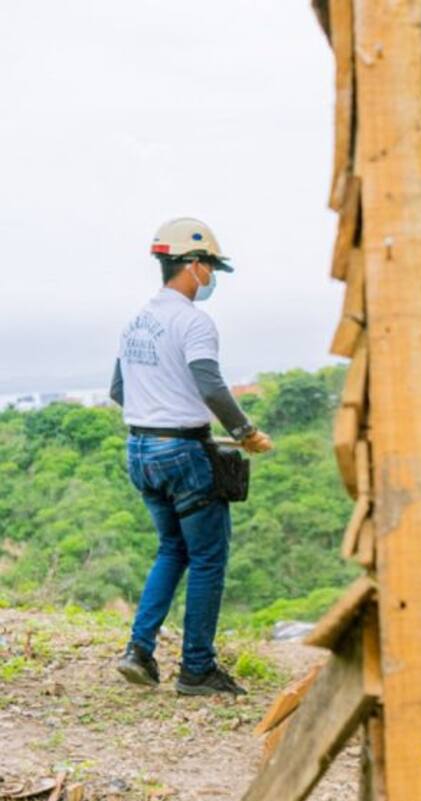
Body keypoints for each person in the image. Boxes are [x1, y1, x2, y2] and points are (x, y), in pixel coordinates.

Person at [111, 218, 272, 696]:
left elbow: (120, 390)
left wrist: (156, 411)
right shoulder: (193, 321)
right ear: (194, 267)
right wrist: (245, 432)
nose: (211, 277)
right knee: (206, 558)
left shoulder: (136, 321)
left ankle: (139, 650)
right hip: (182, 451)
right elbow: (209, 383)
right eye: (210, 267)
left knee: (171, 549)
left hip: (140, 450)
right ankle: (196, 669)